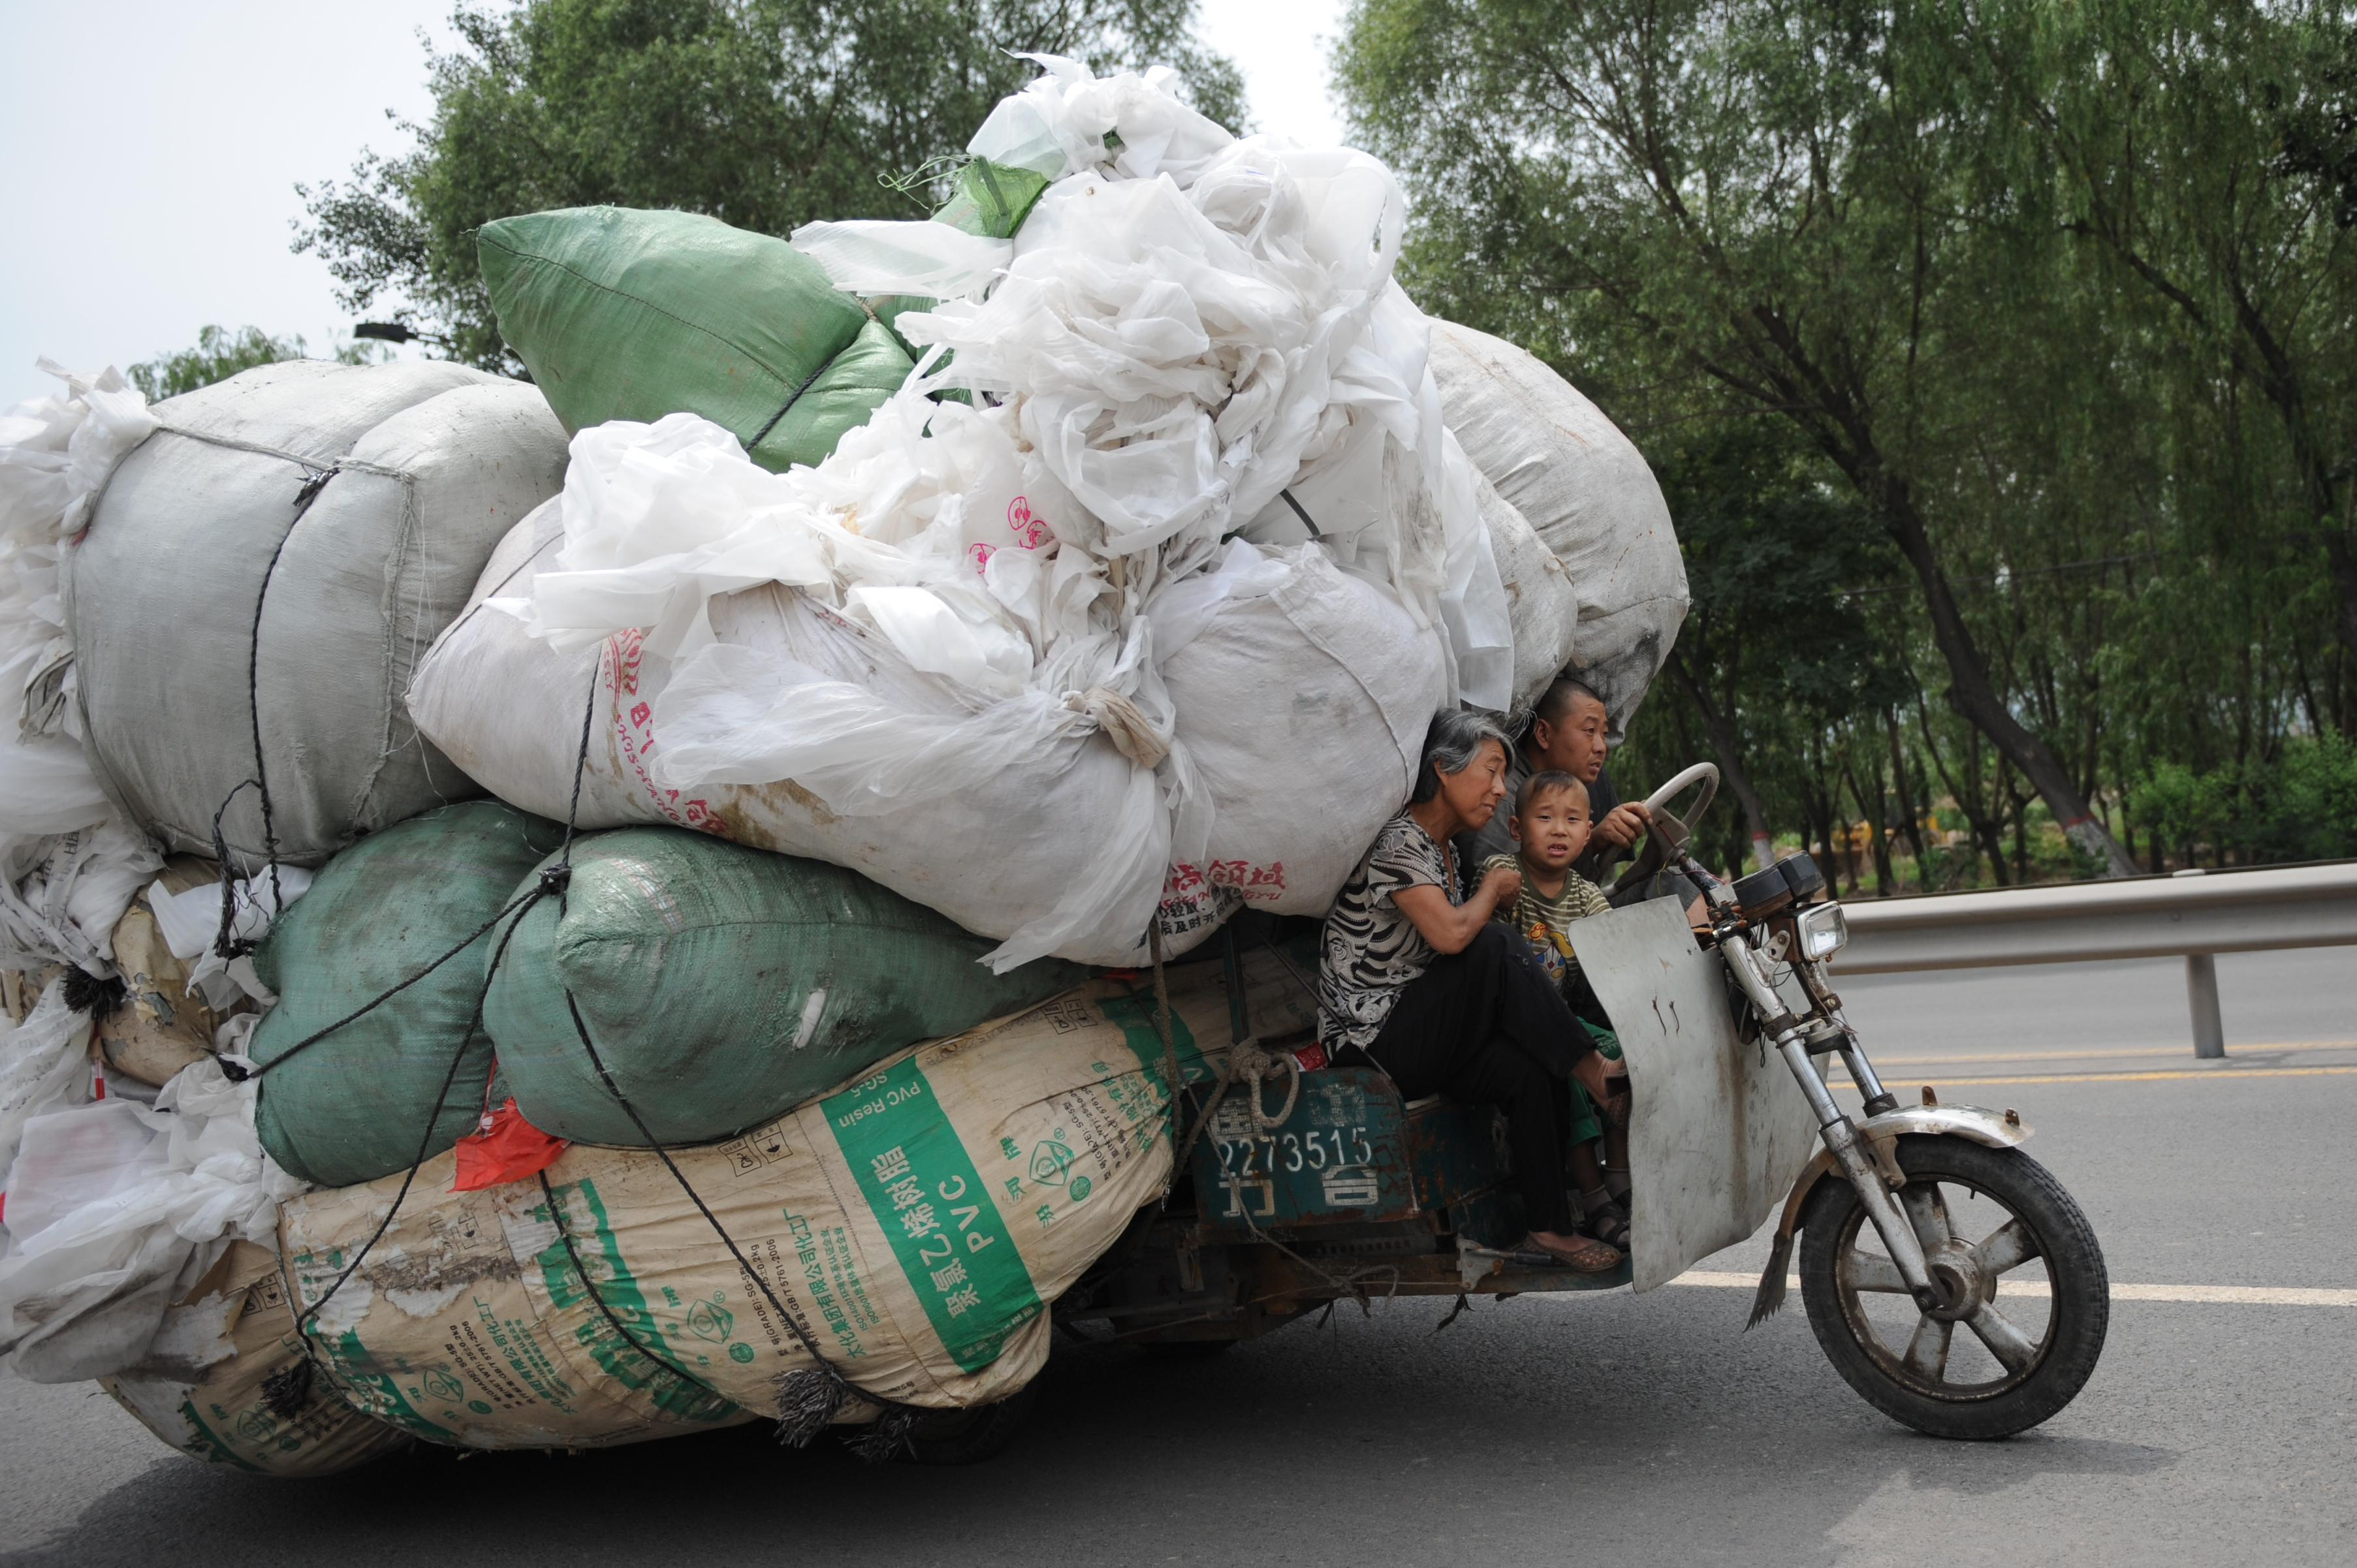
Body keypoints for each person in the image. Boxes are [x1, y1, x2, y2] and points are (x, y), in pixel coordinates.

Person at [1316, 709, 1627, 1272]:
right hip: (1371, 1041)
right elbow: (1452, 934)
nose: (1500, 789)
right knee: (1493, 945)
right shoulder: (1399, 842)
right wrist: (1489, 894)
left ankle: (1549, 1230)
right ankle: (1596, 1073)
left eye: (1503, 775)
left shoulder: (1447, 851)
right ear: (1444, 769)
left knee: (1531, 1070)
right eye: (1489, 771)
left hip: (1423, 1029)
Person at [1478, 768, 1635, 1249]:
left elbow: (1616, 949)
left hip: (1566, 1019)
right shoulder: (1505, 878)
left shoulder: (1587, 896)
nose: (1559, 829)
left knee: (1624, 1053)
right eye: (1545, 817)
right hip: (1516, 1023)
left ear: (1589, 834)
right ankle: (1591, 1197)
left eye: (1572, 820)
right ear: (1518, 828)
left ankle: (1620, 1174)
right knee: (1566, 1076)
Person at [1457, 676, 1648, 888]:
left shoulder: (1569, 791)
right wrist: (1591, 843)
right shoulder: (1504, 796)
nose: (1601, 747)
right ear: (1543, 734)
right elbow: (1508, 901)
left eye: (1604, 734)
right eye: (1589, 731)